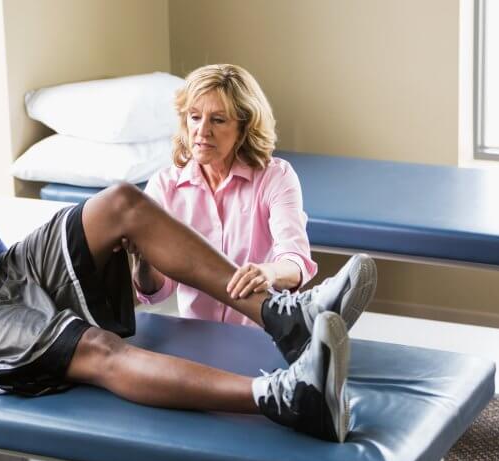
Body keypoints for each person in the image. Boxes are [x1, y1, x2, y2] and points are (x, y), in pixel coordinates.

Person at [0, 19, 361, 443]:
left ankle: (284, 316)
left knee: (122, 203)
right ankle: (286, 397)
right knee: (98, 348)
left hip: (3, 271)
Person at [132, 64, 377, 335]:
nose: (202, 131)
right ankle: (306, 312)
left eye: (218, 120)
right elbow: (156, 293)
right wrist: (143, 260)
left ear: (244, 126)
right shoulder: (164, 186)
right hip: (199, 335)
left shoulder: (275, 177)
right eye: (194, 117)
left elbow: (295, 261)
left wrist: (269, 272)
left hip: (261, 334)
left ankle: (299, 313)